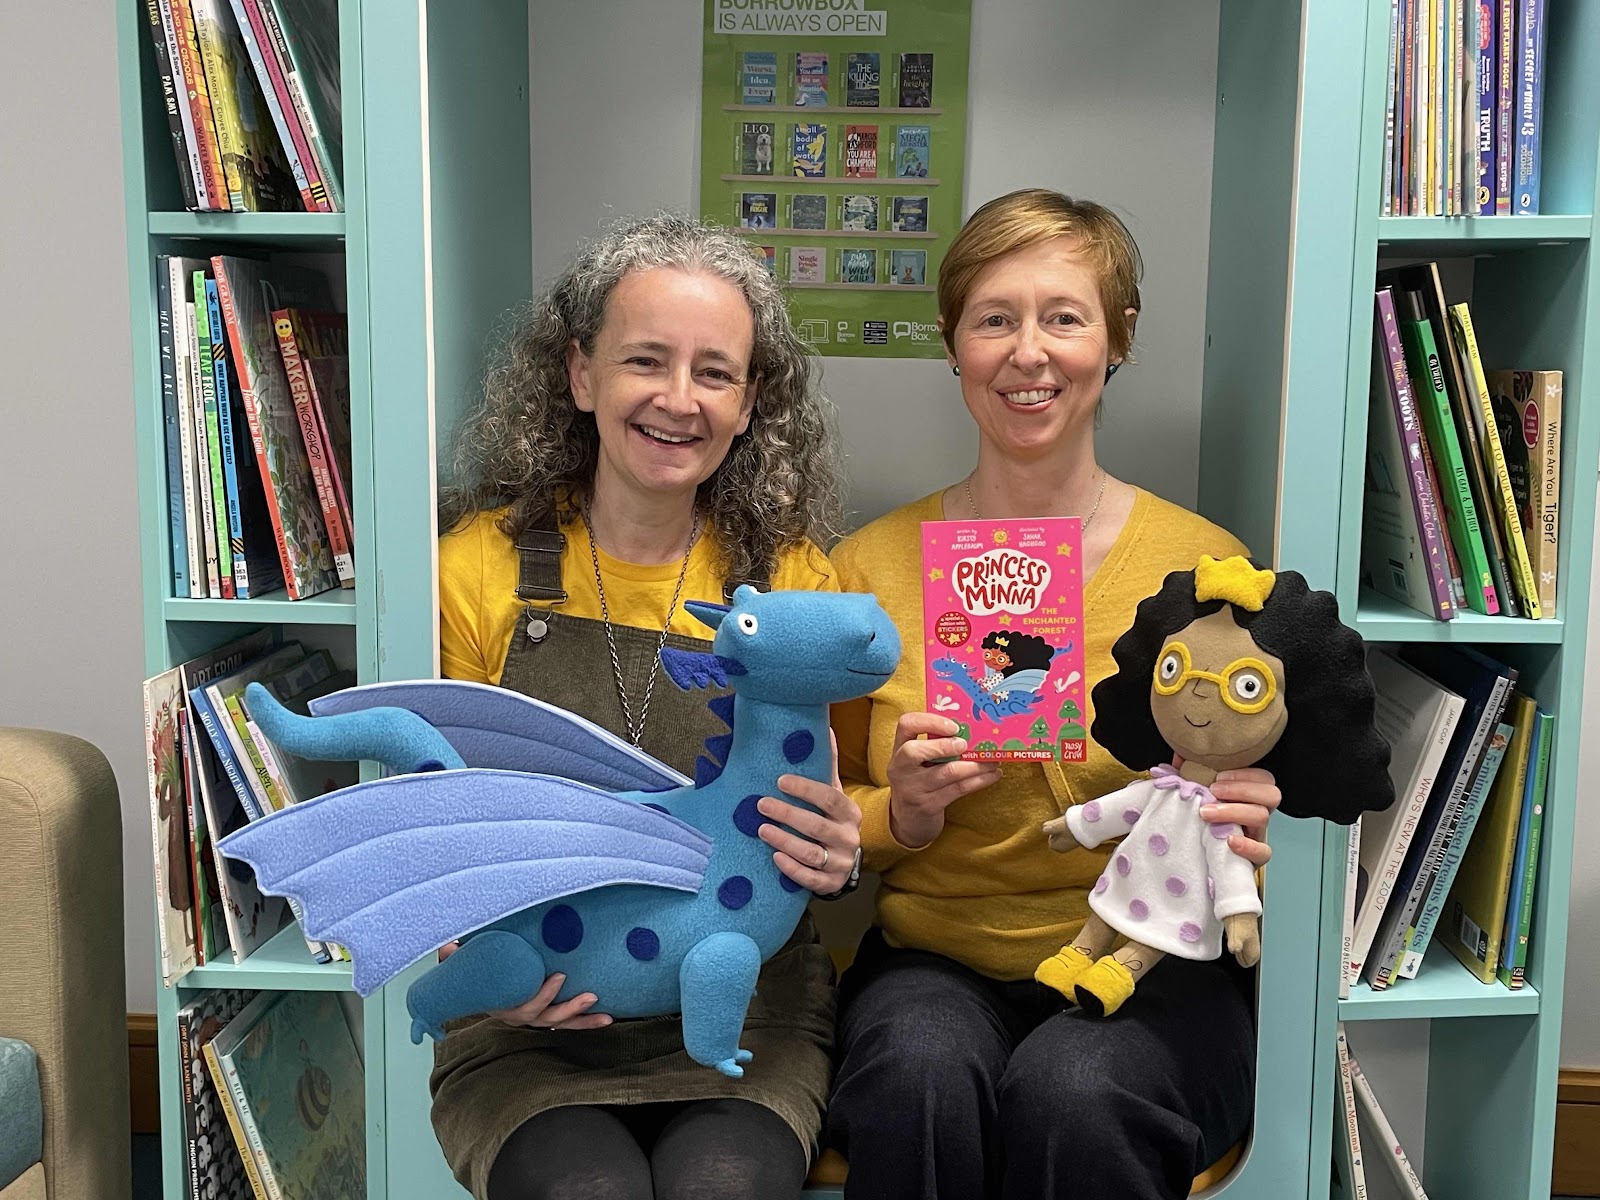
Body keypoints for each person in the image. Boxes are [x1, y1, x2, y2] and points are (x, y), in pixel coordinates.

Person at [826, 189, 1283, 1200]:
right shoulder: (865, 571)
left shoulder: (1205, 571)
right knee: (915, 1076)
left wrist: (1256, 820)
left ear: (1116, 340)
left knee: (1076, 1092)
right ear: (953, 345)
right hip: (933, 960)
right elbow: (824, 821)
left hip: (1152, 962)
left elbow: (1265, 773)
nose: (1026, 352)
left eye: (1064, 317)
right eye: (993, 319)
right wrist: (902, 811)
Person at [431, 213, 863, 1200]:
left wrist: (838, 851)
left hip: (743, 1008)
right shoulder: (473, 571)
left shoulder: (791, 586)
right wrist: (472, 952)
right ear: (581, 374)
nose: (679, 399)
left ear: (750, 404)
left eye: (715, 373)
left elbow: (823, 812)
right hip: (532, 1019)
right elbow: (439, 819)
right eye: (645, 361)